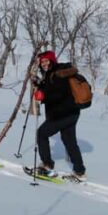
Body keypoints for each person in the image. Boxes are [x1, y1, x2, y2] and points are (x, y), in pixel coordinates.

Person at [28, 50, 87, 182]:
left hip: (62, 114)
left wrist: (42, 96)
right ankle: (80, 172)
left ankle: (47, 165)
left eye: (46, 61)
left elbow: (58, 94)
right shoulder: (54, 73)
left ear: (52, 60)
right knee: (70, 141)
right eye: (42, 62)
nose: (44, 64)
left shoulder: (58, 74)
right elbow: (51, 88)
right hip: (72, 113)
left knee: (42, 133)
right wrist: (39, 85)